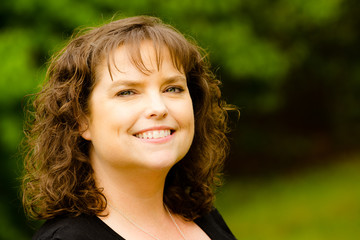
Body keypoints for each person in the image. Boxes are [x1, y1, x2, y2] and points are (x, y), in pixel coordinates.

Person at [22, 15, 237, 240]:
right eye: (127, 92)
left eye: (172, 88)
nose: (158, 107)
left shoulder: (204, 218)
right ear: (81, 120)